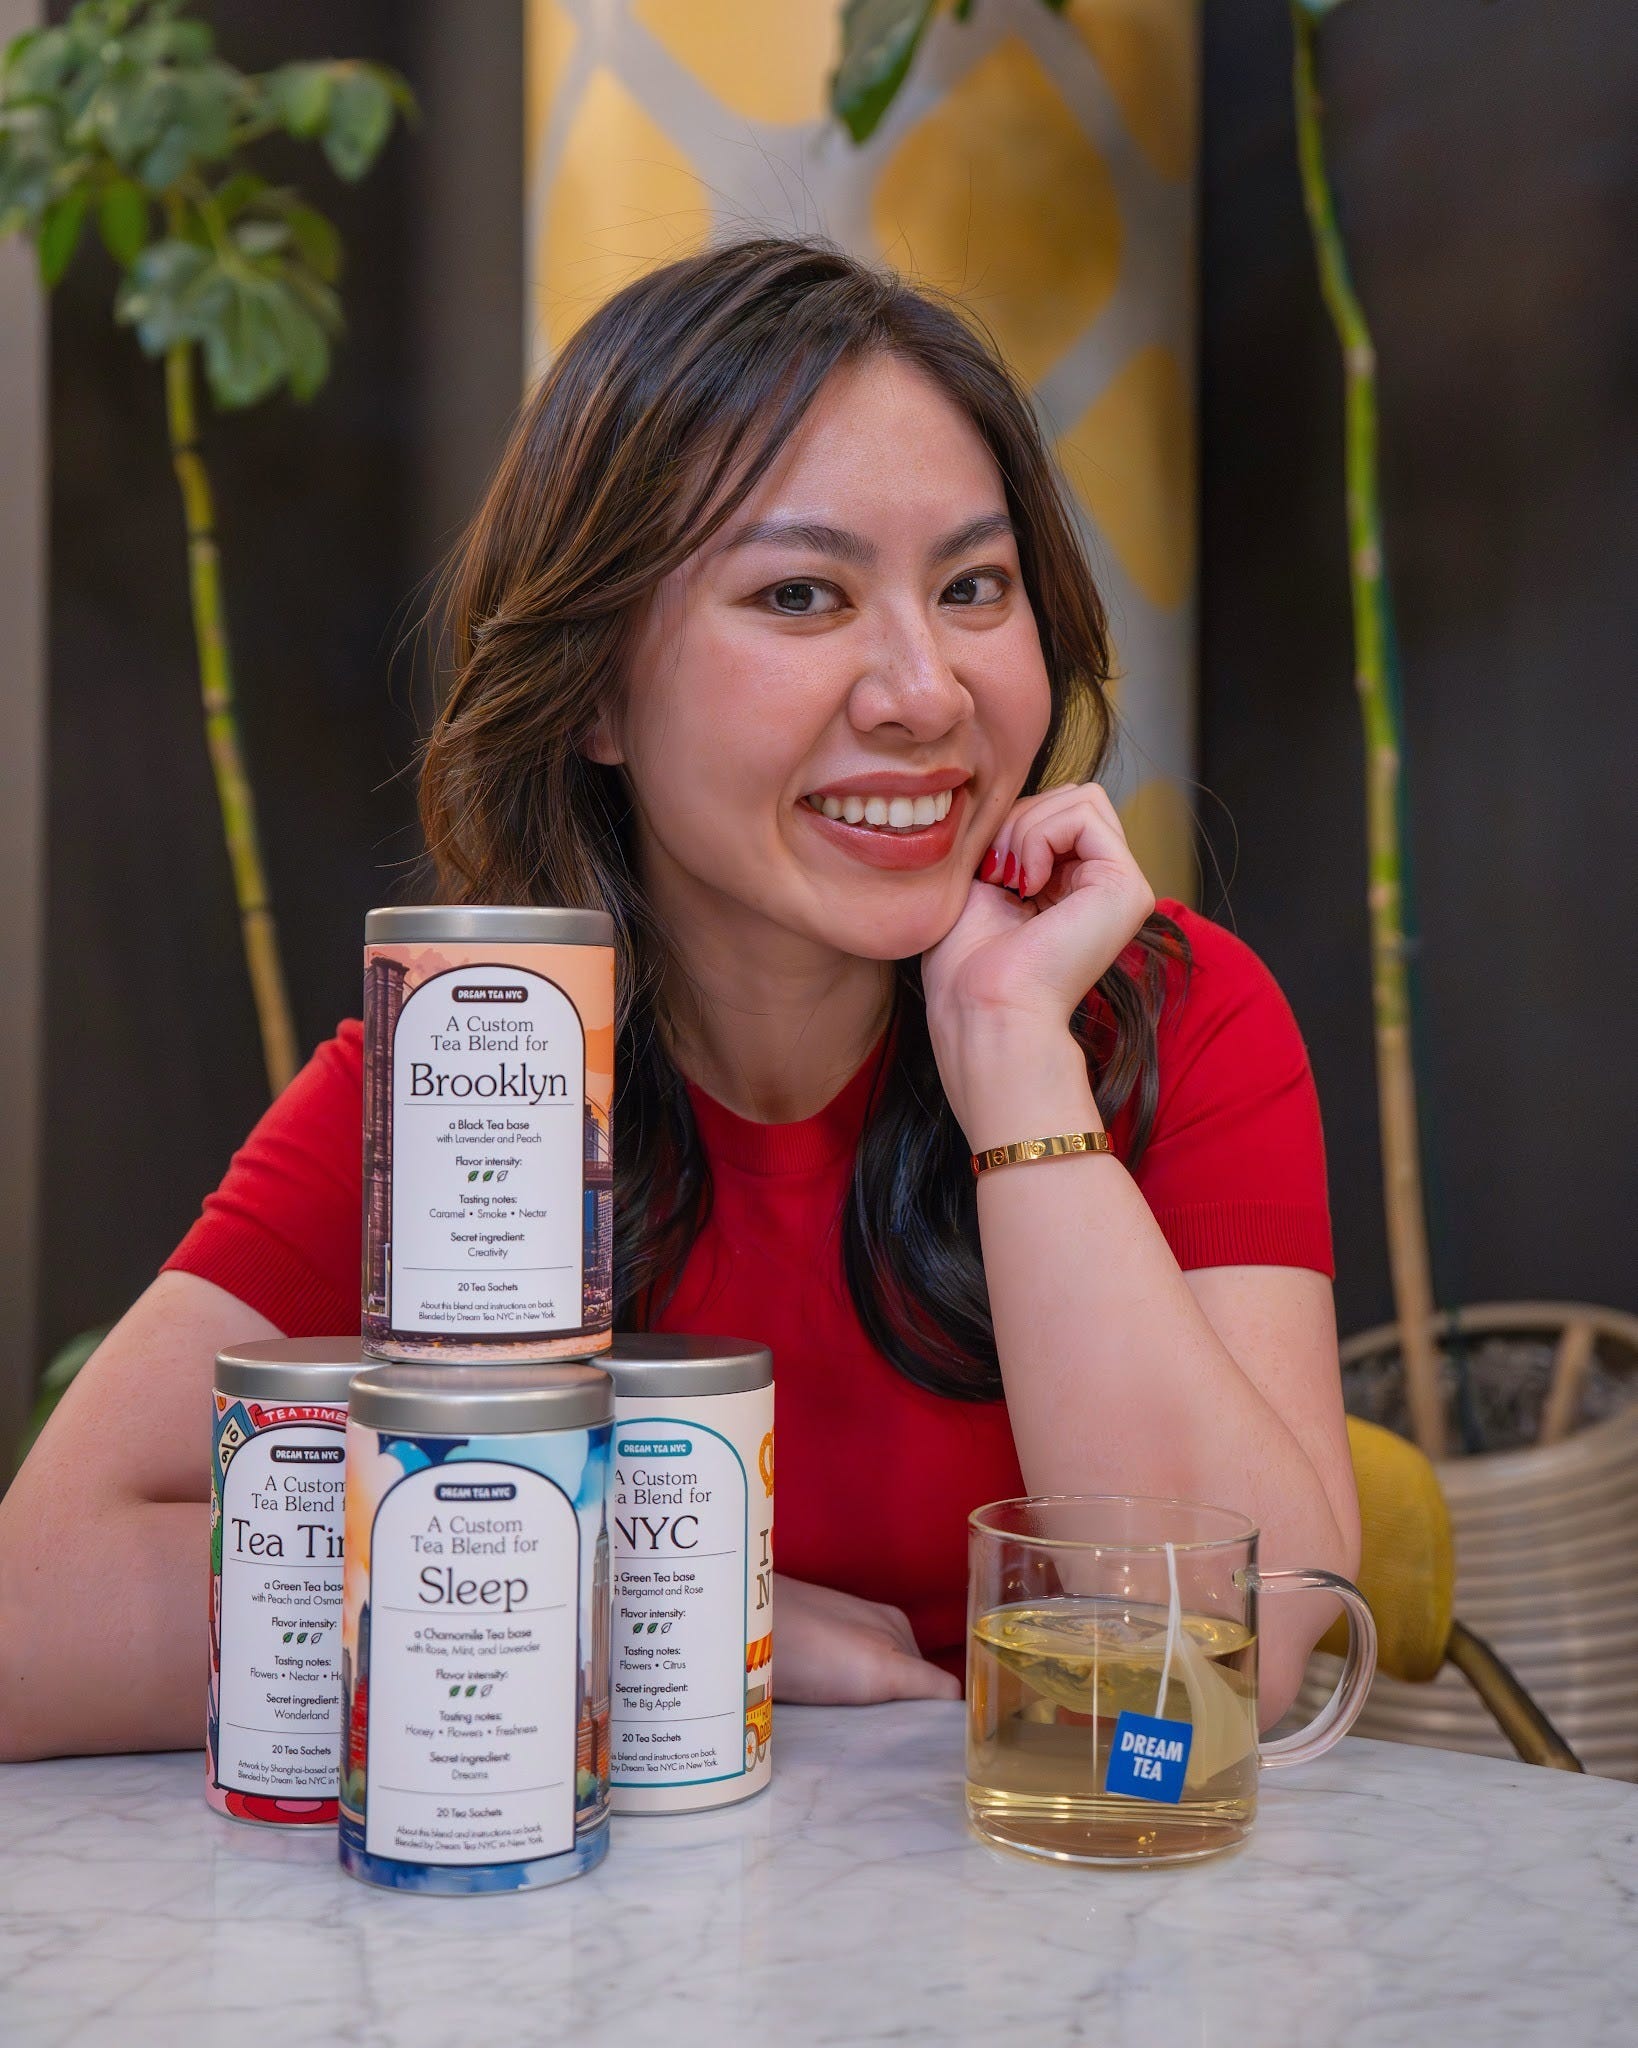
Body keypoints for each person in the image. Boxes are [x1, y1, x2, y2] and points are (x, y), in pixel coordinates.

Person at [0, 235, 1358, 1762]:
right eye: (801, 593)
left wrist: (1011, 1056)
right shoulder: (475, 1080)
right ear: (593, 688)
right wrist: (680, 1599)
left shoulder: (1157, 1020)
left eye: (973, 586)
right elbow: (28, 1621)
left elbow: (1231, 1651)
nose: (924, 691)